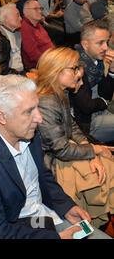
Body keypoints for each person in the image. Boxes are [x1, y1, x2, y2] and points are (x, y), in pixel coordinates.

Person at [0, 74, 111, 239]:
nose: (39, 118)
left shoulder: (27, 131)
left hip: (42, 218)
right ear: (2, 117)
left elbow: (42, 176)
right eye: (28, 112)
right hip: (16, 228)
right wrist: (56, 238)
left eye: (37, 107)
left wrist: (66, 206)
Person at [36, 47, 113, 228]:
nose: (79, 72)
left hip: (64, 152)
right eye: (75, 68)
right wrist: (94, 150)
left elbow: (72, 125)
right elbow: (60, 150)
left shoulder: (58, 92)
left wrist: (89, 148)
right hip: (50, 164)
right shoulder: (46, 101)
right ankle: (95, 223)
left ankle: (99, 221)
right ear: (57, 71)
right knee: (104, 173)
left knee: (105, 164)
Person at [70, 19, 114, 143]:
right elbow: (86, 107)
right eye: (100, 43)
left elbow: (105, 94)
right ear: (85, 45)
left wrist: (111, 70)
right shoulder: (76, 66)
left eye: (107, 41)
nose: (106, 47)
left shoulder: (97, 61)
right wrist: (104, 102)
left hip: (99, 113)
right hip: (85, 125)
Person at [20, 0, 55, 70]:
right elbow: (33, 55)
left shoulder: (37, 24)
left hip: (51, 58)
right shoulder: (25, 27)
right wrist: (53, 62)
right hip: (40, 65)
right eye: (36, 9)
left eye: (40, 8)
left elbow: (48, 42)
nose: (40, 11)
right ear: (25, 12)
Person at [0, 3, 24, 74]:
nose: (21, 18)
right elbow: (1, 68)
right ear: (6, 19)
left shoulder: (17, 35)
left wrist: (29, 70)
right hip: (10, 77)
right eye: (17, 15)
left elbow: (19, 61)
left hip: (19, 74)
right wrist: (22, 75)